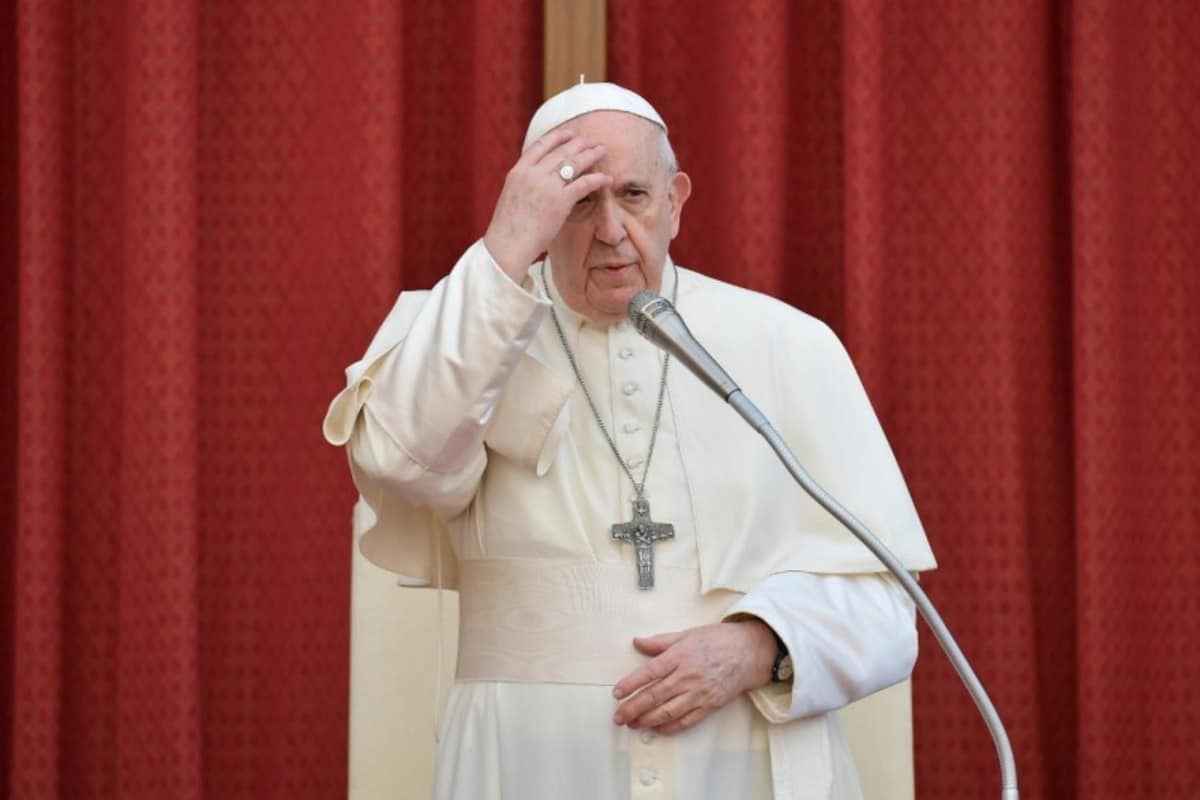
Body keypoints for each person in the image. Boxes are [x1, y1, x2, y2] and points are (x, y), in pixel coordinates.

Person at [323, 82, 936, 799]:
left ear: (675, 199)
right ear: (536, 213)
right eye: (579, 202)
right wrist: (502, 254)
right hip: (525, 766)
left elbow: (889, 609)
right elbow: (403, 463)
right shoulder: (460, 336)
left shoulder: (790, 345)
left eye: (635, 197)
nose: (611, 230)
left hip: (741, 763)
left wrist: (758, 647)